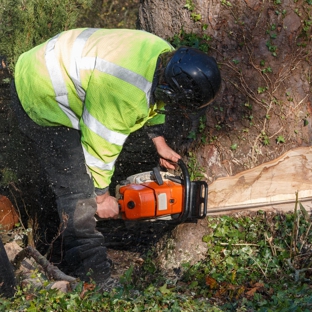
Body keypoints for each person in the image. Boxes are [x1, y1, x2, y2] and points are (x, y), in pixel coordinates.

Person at [10, 28, 221, 288]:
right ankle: (95, 281)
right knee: (79, 194)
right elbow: (98, 149)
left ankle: (53, 250)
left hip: (58, 67)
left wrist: (159, 140)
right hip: (41, 89)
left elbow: (155, 99)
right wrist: (101, 197)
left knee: (67, 183)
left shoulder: (165, 57)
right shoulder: (123, 90)